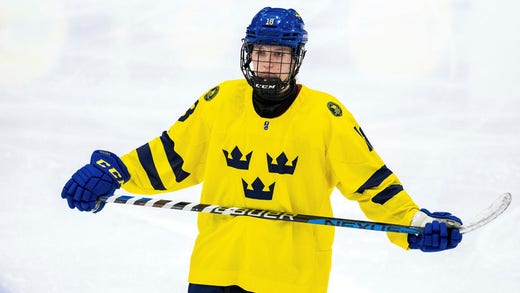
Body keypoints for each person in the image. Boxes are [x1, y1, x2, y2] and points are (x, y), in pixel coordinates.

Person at [61, 7, 463, 293]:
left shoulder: (327, 115)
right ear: (248, 53)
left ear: (296, 60)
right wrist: (114, 173)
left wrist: (411, 222)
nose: (268, 64)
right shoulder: (220, 102)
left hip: (291, 280)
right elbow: (170, 157)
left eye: (279, 56)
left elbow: (372, 182)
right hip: (214, 271)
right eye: (261, 53)